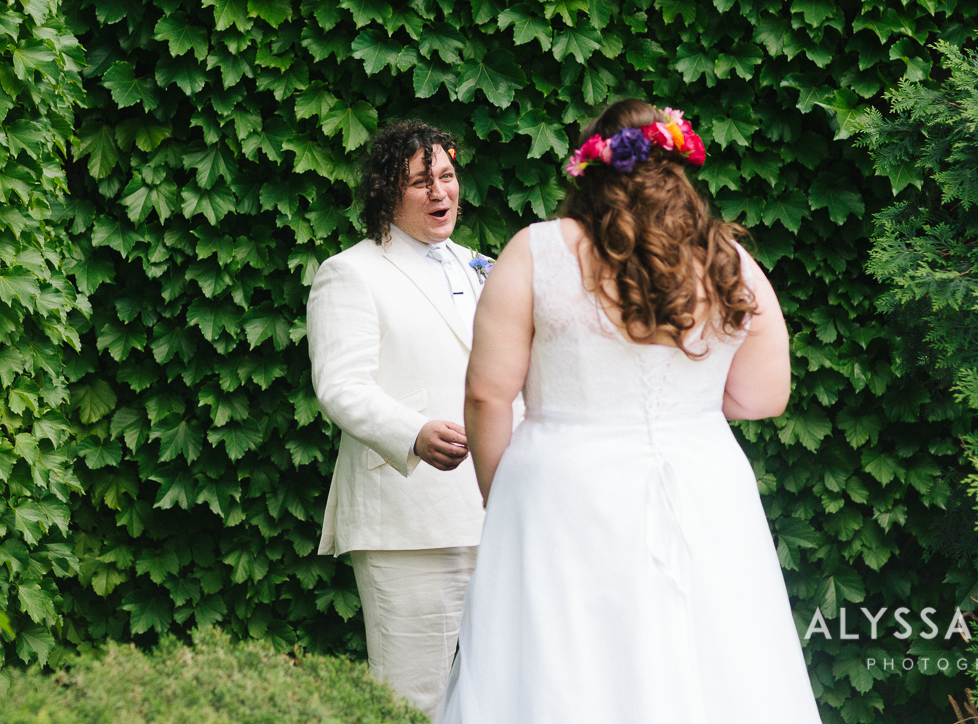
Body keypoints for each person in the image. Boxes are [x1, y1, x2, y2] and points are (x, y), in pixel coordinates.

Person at [439, 99, 822, 724]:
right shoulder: (727, 259)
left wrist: (499, 492)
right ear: (678, 166)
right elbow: (763, 396)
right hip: (703, 486)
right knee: (712, 663)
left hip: (562, 487)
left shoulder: (537, 251)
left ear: (588, 166)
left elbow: (488, 393)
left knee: (561, 666)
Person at [306, 120, 503, 718]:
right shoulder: (351, 271)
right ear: (386, 194)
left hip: (499, 516)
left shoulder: (485, 267)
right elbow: (340, 385)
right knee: (409, 701)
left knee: (497, 694)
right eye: (421, 182)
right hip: (409, 523)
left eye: (446, 176)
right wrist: (412, 433)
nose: (440, 193)